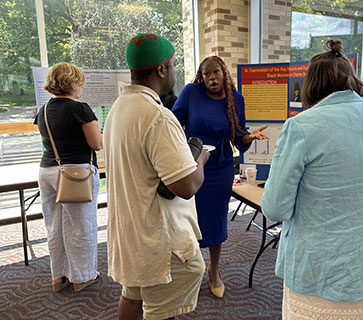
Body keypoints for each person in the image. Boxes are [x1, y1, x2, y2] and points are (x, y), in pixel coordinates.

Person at [261, 39, 363, 319]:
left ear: (311, 86)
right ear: (352, 80)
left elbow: (275, 208)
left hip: (320, 272)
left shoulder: (302, 126)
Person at [103, 33, 210, 320]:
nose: (176, 72)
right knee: (163, 311)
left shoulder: (118, 109)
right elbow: (185, 185)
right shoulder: (157, 116)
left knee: (133, 297)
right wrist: (198, 159)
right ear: (162, 69)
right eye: (174, 65)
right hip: (159, 242)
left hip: (131, 234)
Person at [172, 55, 268, 298]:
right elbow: (172, 124)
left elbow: (238, 135)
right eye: (206, 74)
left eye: (216, 72)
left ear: (224, 73)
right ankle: (188, 271)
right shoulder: (191, 93)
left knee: (215, 221)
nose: (211, 77)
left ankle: (214, 272)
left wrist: (250, 137)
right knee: (186, 218)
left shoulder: (236, 99)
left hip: (221, 168)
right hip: (192, 164)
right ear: (201, 77)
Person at [34, 62, 103, 293]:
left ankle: (59, 277)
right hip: (76, 174)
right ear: (73, 83)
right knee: (81, 226)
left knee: (54, 226)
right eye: (80, 82)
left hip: (47, 171)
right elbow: (97, 144)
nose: (82, 86)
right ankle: (82, 277)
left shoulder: (43, 110)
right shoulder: (80, 109)